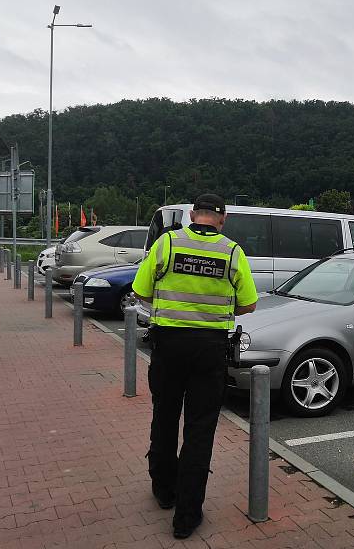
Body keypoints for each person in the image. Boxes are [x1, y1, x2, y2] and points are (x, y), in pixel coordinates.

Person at [132, 193, 258, 538]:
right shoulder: (232, 251)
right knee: (200, 429)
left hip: (168, 345)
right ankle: (187, 516)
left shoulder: (167, 243)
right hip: (209, 349)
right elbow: (248, 305)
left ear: (192, 214)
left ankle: (164, 491)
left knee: (165, 416)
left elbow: (141, 291)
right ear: (222, 218)